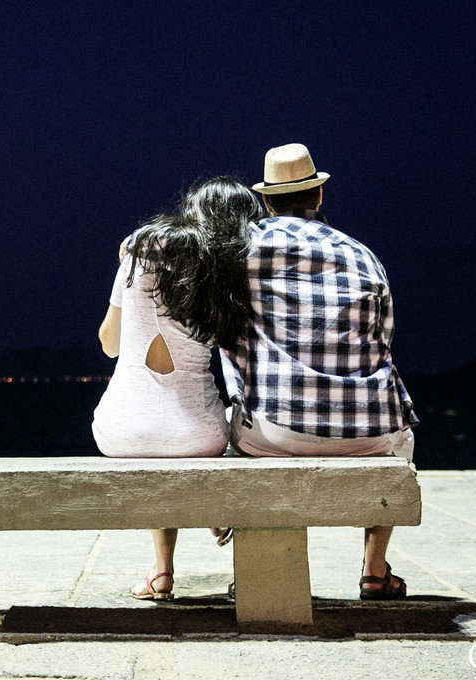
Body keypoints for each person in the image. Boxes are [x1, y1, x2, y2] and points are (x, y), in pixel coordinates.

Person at [221, 143, 420, 600]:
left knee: (243, 428)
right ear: (319, 197)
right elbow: (382, 341)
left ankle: (262, 565)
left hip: (273, 433)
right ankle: (374, 570)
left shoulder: (242, 253)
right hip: (368, 436)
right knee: (403, 436)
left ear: (266, 201)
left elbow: (224, 334)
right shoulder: (364, 255)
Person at [93, 176, 263, 601]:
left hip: (120, 432)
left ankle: (162, 573)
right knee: (234, 422)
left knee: (157, 433)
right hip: (197, 438)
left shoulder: (136, 256)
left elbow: (109, 344)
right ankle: (219, 515)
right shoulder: (228, 279)